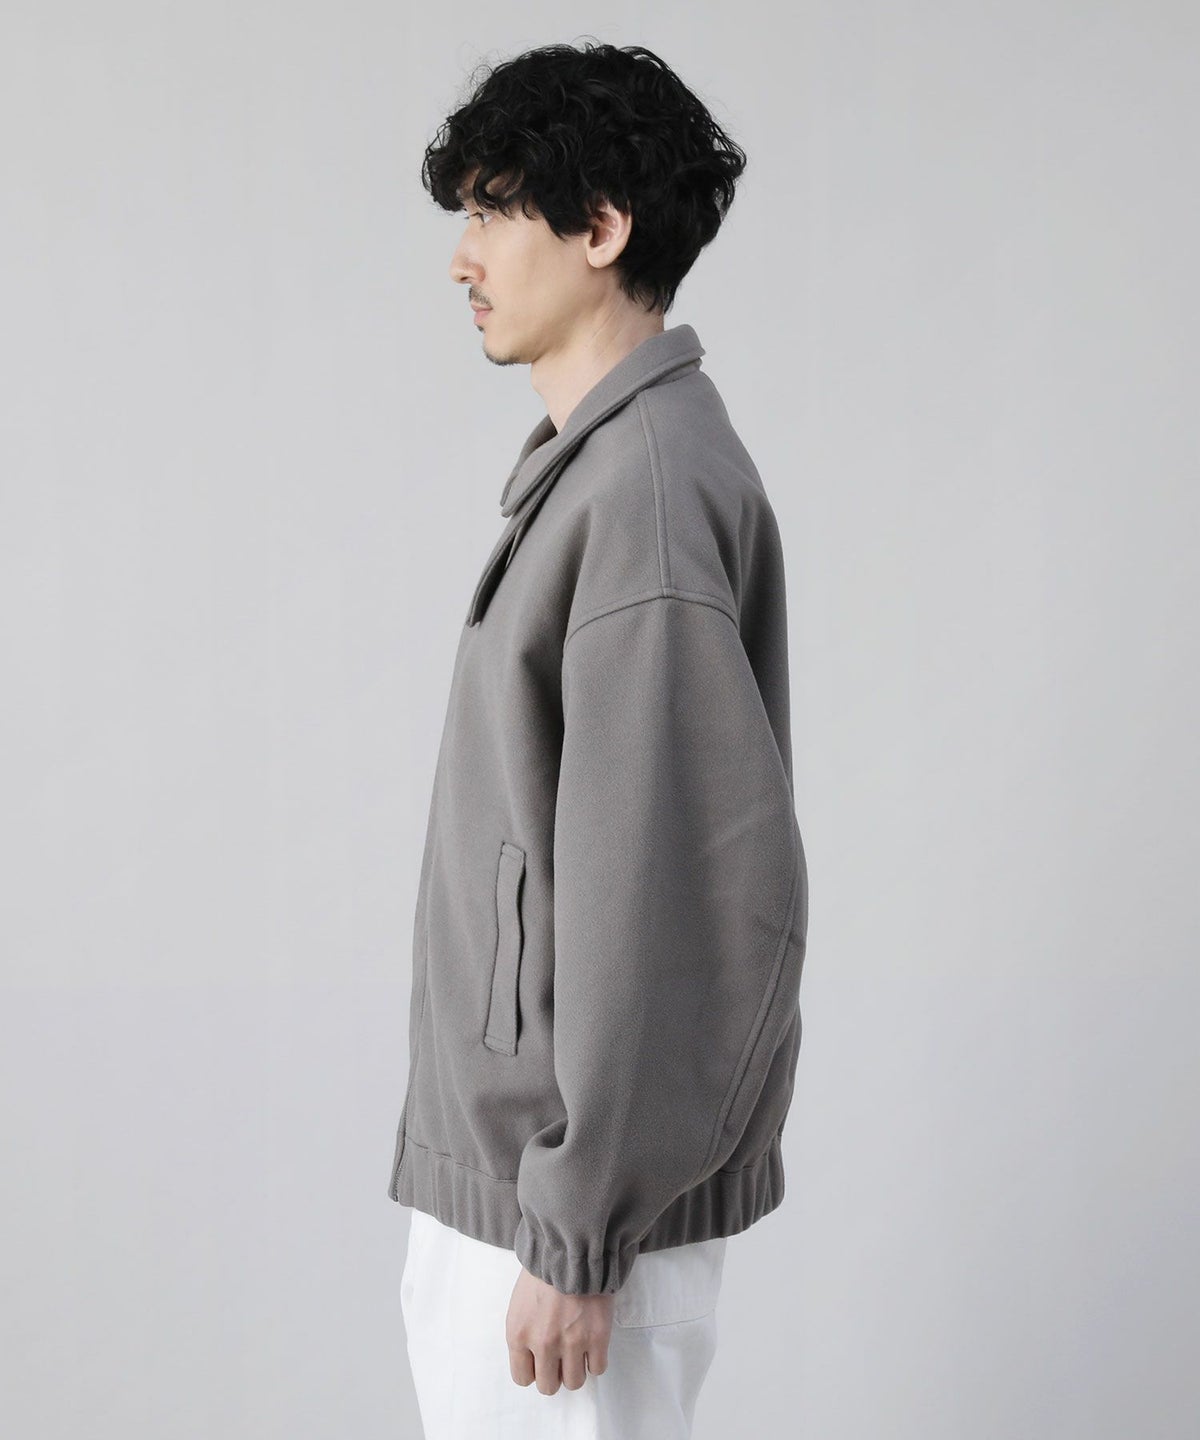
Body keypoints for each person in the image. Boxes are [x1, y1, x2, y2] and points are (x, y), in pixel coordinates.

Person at [386, 38, 809, 1438]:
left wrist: (578, 1231)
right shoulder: (607, 474)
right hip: (530, 1197)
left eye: (492, 210)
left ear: (603, 227)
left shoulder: (645, 492)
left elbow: (675, 894)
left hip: (563, 1228)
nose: (462, 258)